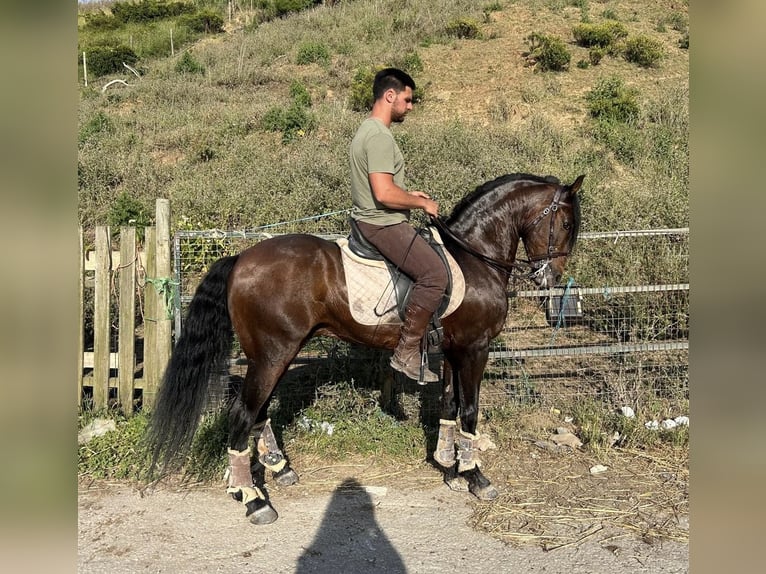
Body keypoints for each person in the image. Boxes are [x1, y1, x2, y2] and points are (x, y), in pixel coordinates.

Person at [349, 67, 448, 383]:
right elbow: (383, 193)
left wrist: (408, 194)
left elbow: (385, 188)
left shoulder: (365, 130)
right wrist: (421, 203)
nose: (411, 106)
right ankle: (406, 352)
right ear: (389, 96)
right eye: (408, 99)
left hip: (372, 219)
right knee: (434, 275)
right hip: (383, 224)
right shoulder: (379, 136)